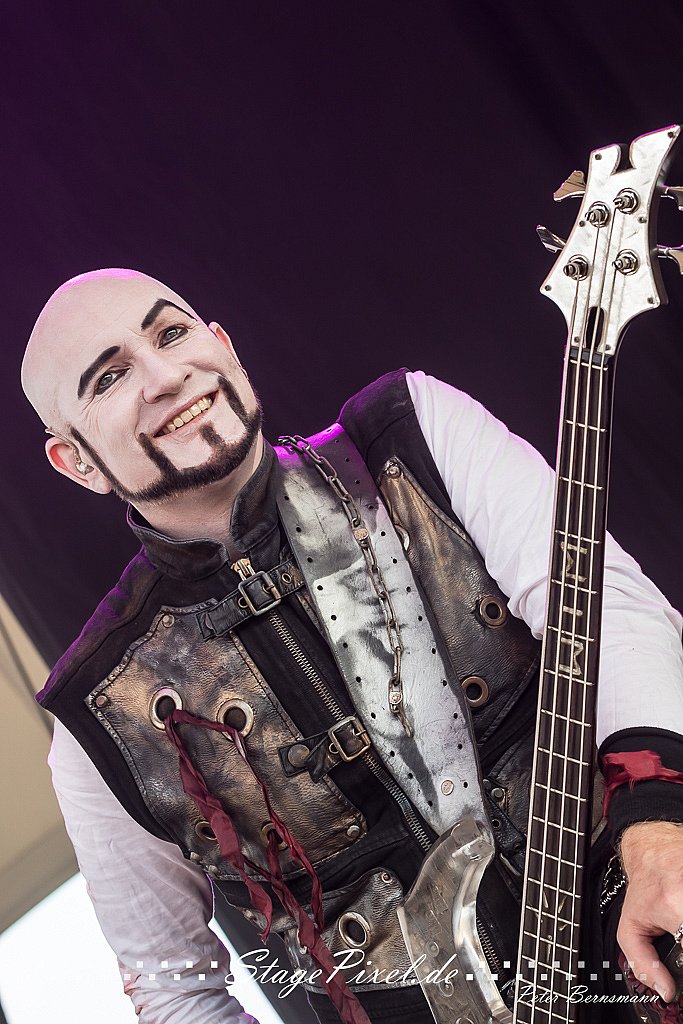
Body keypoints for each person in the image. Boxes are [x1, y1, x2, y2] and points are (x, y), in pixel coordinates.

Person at [20, 268, 683, 1024]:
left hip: (649, 940)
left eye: (171, 333)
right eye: (110, 377)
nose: (166, 376)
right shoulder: (99, 714)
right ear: (75, 461)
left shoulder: (415, 433)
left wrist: (660, 829)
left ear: (223, 346)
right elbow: (173, 988)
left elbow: (614, 614)